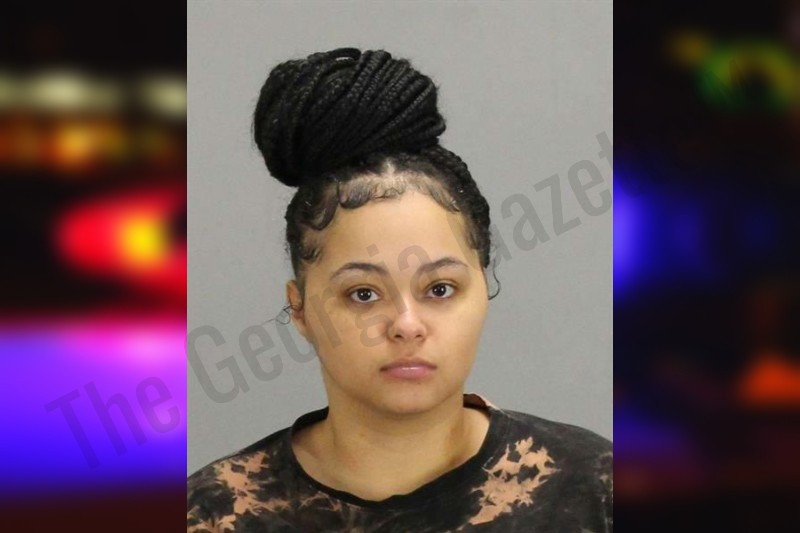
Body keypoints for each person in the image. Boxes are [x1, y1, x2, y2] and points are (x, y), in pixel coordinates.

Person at [187, 47, 612, 532]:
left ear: (484, 289)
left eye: (440, 289)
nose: (407, 325)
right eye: (363, 294)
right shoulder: (213, 513)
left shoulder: (594, 490)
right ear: (300, 309)